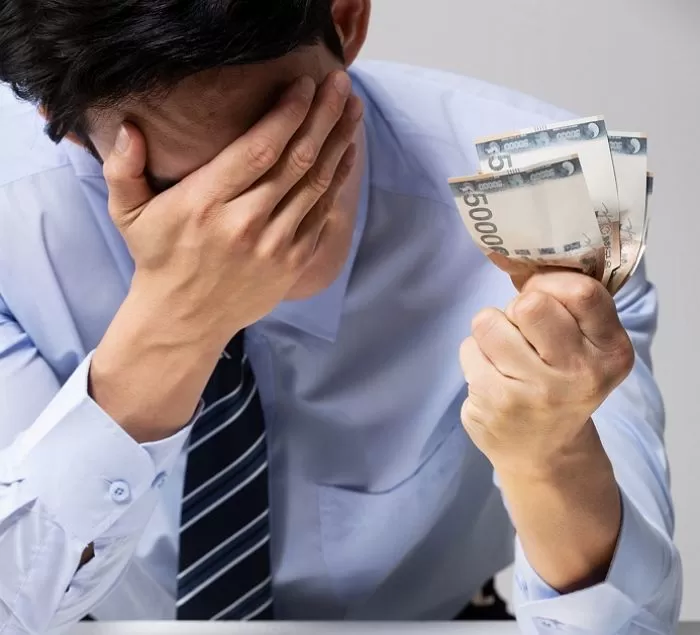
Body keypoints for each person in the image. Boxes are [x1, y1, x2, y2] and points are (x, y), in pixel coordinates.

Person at [0, 0, 681, 633]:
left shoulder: (555, 203)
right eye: (177, 189)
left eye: (292, 167)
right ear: (54, 119)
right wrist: (176, 324)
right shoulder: (17, 221)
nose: (246, 235)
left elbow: (630, 620)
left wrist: (552, 452)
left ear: (347, 18)